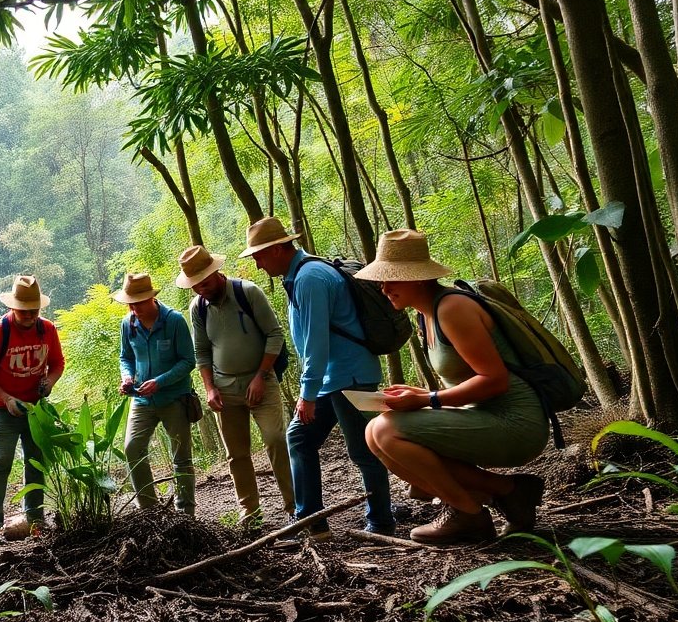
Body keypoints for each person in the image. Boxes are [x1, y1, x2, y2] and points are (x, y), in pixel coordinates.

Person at [359, 230, 547, 545]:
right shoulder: (426, 315)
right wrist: (419, 395)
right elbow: (464, 380)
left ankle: (468, 513)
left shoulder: (452, 308)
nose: (384, 288)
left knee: (385, 431)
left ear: (418, 278)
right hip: (482, 416)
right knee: (373, 434)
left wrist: (428, 400)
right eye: (382, 280)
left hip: (516, 422)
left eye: (392, 278)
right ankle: (509, 491)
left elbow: (495, 380)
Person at [242, 217, 395, 538]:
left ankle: (382, 523)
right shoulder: (301, 274)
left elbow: (316, 343)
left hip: (349, 376)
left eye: (258, 256)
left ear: (277, 249)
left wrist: (306, 394)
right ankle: (310, 521)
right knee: (299, 438)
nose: (257, 264)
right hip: (331, 378)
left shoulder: (310, 278)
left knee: (363, 450)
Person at [177, 245, 295, 527]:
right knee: (237, 454)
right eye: (195, 285)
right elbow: (202, 351)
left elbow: (274, 335)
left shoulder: (247, 292)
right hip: (224, 388)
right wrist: (210, 388)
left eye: (204, 282)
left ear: (216, 273)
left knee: (276, 440)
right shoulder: (198, 308)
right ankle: (250, 512)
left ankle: (295, 506)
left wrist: (260, 376)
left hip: (262, 382)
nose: (201, 289)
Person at [0, 275, 65, 546]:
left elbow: (58, 363)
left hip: (35, 408)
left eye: (34, 310)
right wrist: (7, 399)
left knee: (36, 461)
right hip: (2, 409)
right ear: (13, 307)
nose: (29, 315)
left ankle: (35, 520)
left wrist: (50, 382)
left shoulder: (47, 330)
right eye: (24, 310)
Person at [115, 273, 197, 516]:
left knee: (181, 456)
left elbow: (188, 361)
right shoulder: (127, 324)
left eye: (138, 303)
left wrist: (160, 382)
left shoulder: (174, 321)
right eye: (130, 304)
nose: (134, 308)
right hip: (141, 399)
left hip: (174, 398)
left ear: (151, 298)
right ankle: (149, 511)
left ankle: (185, 513)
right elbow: (125, 357)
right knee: (132, 448)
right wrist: (127, 377)